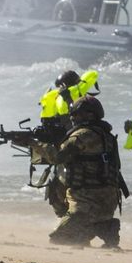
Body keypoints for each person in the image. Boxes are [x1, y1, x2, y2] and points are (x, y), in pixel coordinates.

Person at [32, 95, 123, 248]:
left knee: (59, 239)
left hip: (87, 201)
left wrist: (34, 143)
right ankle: (104, 226)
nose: (72, 117)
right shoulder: (106, 135)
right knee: (58, 182)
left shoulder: (82, 135)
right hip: (107, 202)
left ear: (89, 115)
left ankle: (92, 227)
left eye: (76, 114)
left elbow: (57, 157)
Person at [36, 70, 101, 216]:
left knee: (67, 188)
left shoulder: (78, 104)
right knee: (57, 189)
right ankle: (67, 218)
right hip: (67, 151)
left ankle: (70, 219)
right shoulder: (65, 102)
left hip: (73, 153)